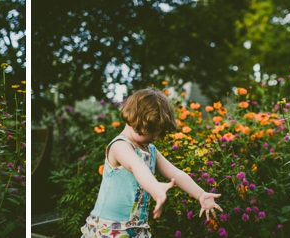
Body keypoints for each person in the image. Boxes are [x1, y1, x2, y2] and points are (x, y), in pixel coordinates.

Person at [81, 88, 223, 237]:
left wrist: (200, 194)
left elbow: (176, 173)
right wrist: (155, 187)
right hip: (108, 230)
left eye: (159, 133)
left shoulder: (151, 151)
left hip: (136, 229)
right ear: (136, 120)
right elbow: (136, 165)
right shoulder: (120, 146)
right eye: (153, 130)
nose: (156, 137)